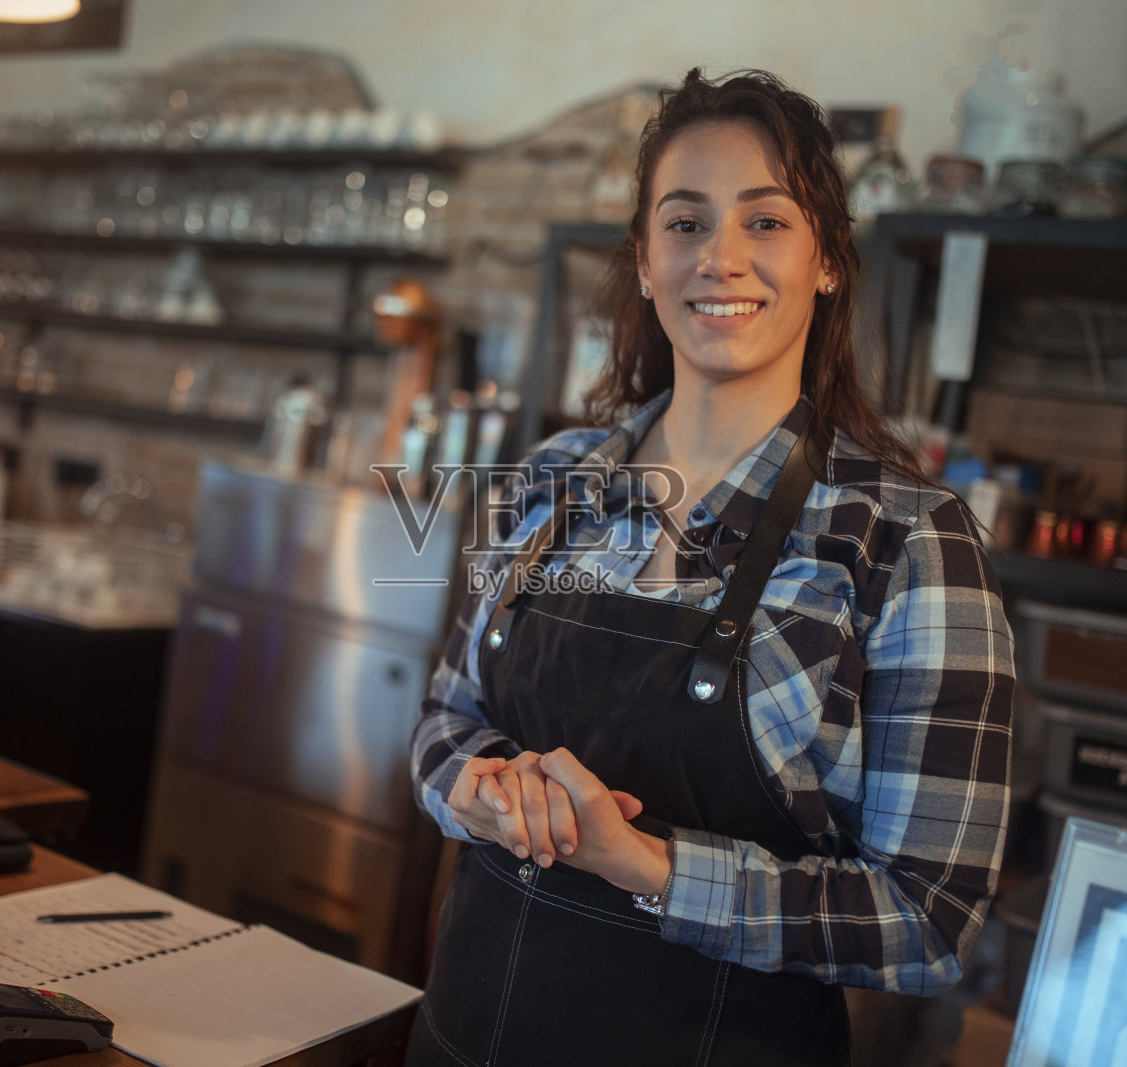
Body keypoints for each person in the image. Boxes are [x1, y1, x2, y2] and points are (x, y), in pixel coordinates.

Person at [404, 67, 1014, 1067]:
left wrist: (647, 863)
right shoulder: (552, 478)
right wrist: (467, 787)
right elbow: (442, 716)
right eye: (684, 222)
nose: (719, 258)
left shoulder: (906, 542)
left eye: (765, 222)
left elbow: (929, 917)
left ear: (827, 261)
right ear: (643, 260)